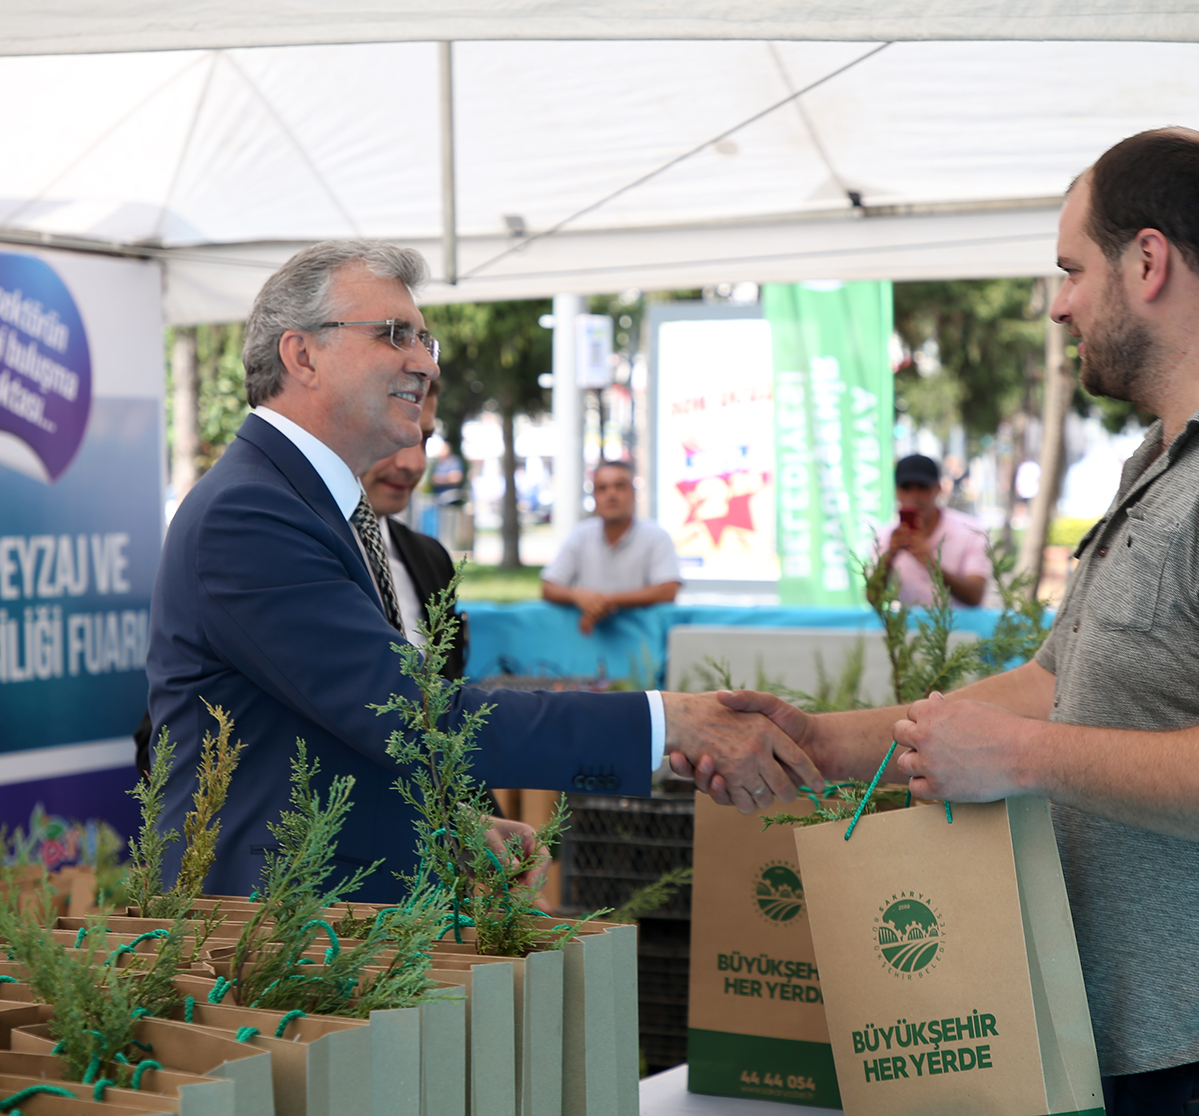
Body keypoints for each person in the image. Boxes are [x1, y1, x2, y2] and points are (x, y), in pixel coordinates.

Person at [687, 131, 1199, 1111]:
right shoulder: (1183, 455)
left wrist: (1024, 759)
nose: (1060, 301)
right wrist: (819, 743)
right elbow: (1056, 685)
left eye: (1071, 269)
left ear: (1148, 262)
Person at [147, 240, 820, 903]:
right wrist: (667, 723)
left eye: (424, 339)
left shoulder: (305, 501)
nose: (421, 362)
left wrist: (443, 824)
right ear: (303, 355)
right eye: (394, 334)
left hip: (321, 916)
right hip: (267, 927)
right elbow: (404, 710)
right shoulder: (250, 512)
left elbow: (331, 726)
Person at [358, 374, 466, 681]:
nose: (414, 464)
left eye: (425, 440)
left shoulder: (431, 559)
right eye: (395, 436)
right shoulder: (304, 548)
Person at [541, 460, 681, 635]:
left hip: (644, 640)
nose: (611, 494)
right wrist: (578, 596)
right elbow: (548, 588)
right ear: (593, 497)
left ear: (634, 493)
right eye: (602, 488)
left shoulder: (657, 536)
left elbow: (667, 591)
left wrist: (603, 601)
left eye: (620, 486)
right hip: (590, 640)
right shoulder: (580, 534)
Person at [872, 454, 989, 607]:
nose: (915, 496)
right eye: (907, 487)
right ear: (897, 491)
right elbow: (873, 598)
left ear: (938, 489)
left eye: (923, 487)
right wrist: (890, 556)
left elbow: (975, 596)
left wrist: (931, 563)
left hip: (962, 628)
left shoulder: (972, 532)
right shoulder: (885, 537)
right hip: (910, 628)